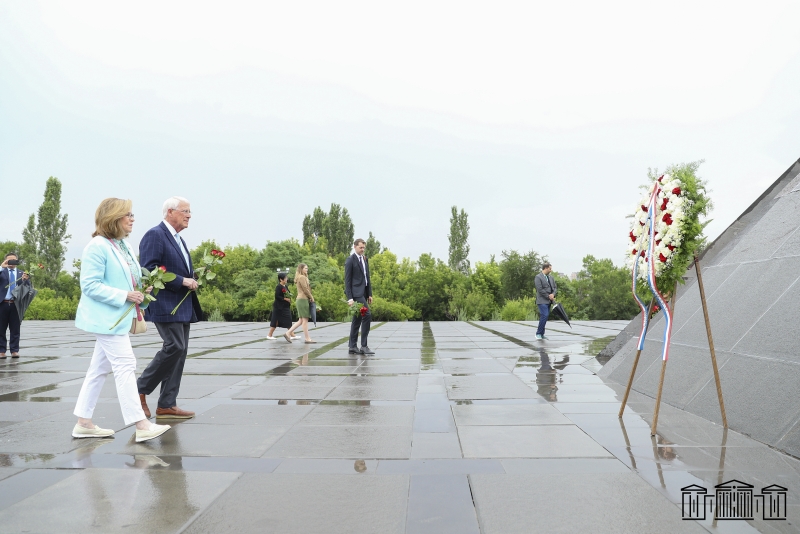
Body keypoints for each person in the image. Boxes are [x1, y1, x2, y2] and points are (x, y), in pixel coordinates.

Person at [72, 198, 170, 442]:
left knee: (98, 369)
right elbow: (90, 285)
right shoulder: (98, 246)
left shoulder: (121, 245)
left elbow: (130, 279)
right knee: (126, 365)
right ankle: (141, 424)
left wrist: (141, 296)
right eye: (127, 215)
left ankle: (83, 422)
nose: (132, 219)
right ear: (113, 218)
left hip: (116, 318)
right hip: (106, 319)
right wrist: (125, 295)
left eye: (132, 214)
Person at [137, 196, 202, 420]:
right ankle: (140, 388)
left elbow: (175, 268)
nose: (189, 215)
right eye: (185, 211)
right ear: (170, 212)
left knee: (180, 351)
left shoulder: (179, 239)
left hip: (182, 304)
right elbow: (149, 269)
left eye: (189, 211)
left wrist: (193, 276)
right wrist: (181, 281)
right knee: (174, 346)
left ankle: (167, 404)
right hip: (166, 303)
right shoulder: (155, 235)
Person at [344, 238, 374, 355]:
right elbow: (347, 281)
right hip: (356, 295)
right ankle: (364, 346)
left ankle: (352, 346)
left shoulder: (365, 259)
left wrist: (369, 294)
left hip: (363, 293)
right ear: (355, 246)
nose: (362, 250)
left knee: (357, 320)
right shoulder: (350, 260)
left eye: (363, 248)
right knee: (367, 315)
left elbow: (367, 278)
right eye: (361, 247)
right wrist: (350, 298)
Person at [0, 253, 29, 359]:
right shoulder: (2, 271)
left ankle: (14, 350)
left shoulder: (21, 273)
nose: (11, 262)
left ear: (17, 261)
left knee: (15, 329)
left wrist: (25, 280)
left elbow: (27, 288)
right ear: (5, 261)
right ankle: (1, 351)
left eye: (13, 260)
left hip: (15, 304)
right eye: (9, 260)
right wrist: (1, 267)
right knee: (1, 329)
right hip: (2, 303)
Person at [285, 264, 316, 344]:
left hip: (301, 299)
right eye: (305, 268)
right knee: (305, 320)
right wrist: (311, 297)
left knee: (301, 320)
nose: (307, 269)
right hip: (303, 299)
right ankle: (307, 338)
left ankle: (288, 333)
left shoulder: (300, 277)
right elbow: (305, 289)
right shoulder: (302, 277)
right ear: (301, 269)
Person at [267, 272, 294, 340]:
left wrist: (289, 298)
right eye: (285, 278)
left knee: (288, 319)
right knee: (275, 321)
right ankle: (269, 335)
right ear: (281, 280)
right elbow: (277, 296)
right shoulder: (278, 287)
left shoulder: (285, 286)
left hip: (285, 306)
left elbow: (288, 293)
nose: (286, 279)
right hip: (279, 307)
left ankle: (292, 335)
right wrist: (285, 299)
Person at [534, 262, 557, 340]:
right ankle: (538, 333)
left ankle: (542, 334)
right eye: (550, 268)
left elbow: (555, 288)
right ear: (546, 268)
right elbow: (539, 289)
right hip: (542, 301)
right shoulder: (538, 277)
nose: (551, 270)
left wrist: (553, 294)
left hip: (549, 301)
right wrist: (548, 296)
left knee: (545, 316)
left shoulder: (551, 277)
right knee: (544, 315)